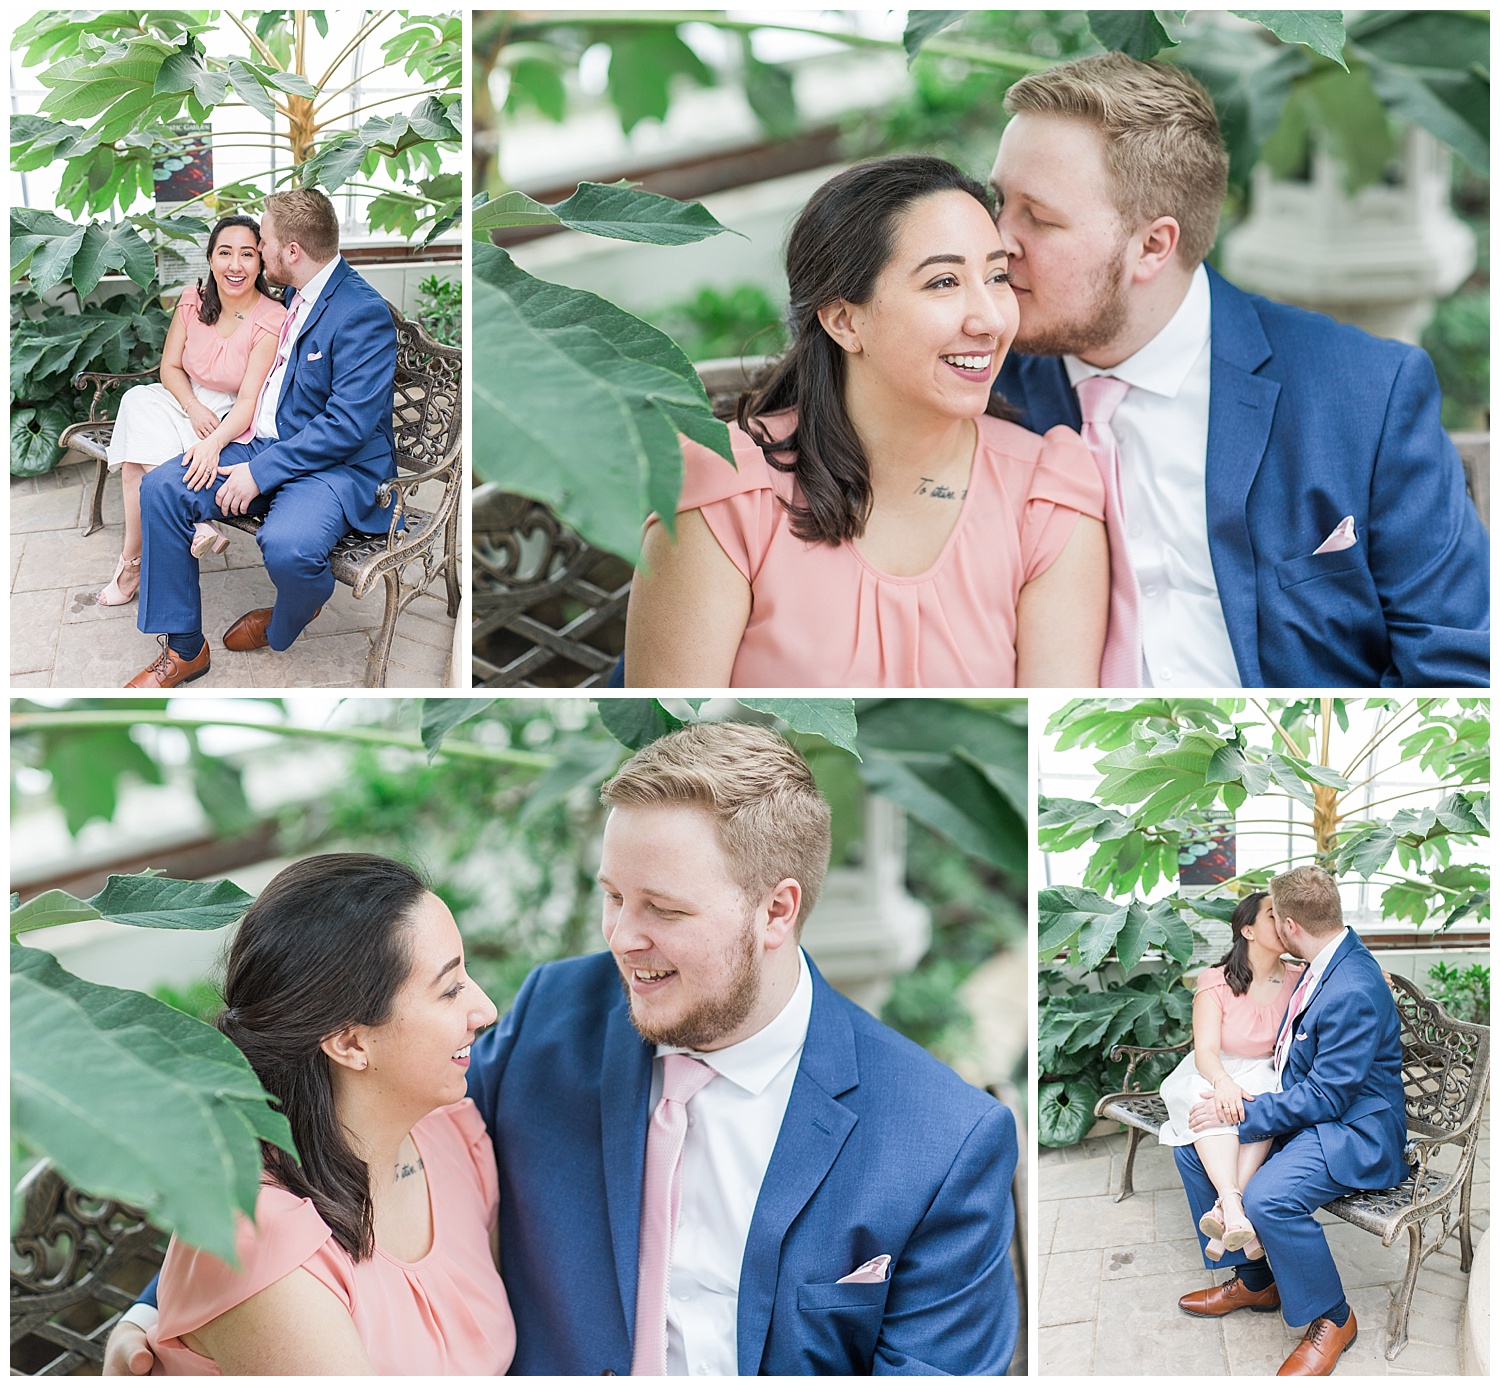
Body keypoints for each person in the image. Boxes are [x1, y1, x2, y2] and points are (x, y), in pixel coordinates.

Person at [108, 722, 1018, 1375]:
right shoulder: (555, 1018)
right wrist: (164, 1307)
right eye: (613, 895)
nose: (621, 936)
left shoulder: (942, 1145)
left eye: (663, 909)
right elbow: (335, 1149)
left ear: (777, 910)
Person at [990, 51, 1489, 688]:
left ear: (1152, 246)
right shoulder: (972, 387)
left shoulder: (1365, 395)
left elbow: (1457, 673)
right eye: (999, 201)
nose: (1000, 240)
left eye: (1039, 218)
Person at [625, 155, 1108, 688]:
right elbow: (680, 739)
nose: (991, 319)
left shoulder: (1048, 498)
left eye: (996, 276)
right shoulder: (725, 490)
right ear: (843, 320)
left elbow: (1047, 727)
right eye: (944, 282)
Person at [144, 854, 512, 1373]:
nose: (486, 1009)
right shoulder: (261, 1243)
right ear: (349, 1042)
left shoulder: (453, 1139)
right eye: (449, 989)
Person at [125, 188, 399, 688]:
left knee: (289, 547)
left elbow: (348, 426)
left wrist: (259, 472)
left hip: (334, 467)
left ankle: (288, 618)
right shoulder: (296, 291)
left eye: (264, 242)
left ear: (291, 252)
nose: (258, 250)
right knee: (161, 489)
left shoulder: (362, 312)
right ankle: (185, 649)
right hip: (265, 443)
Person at [1173, 865, 1406, 1376]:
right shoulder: (1325, 961)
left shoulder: (1351, 987)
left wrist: (1247, 1111)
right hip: (1316, 1111)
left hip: (1355, 1130)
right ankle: (1257, 1281)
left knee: (1267, 1197)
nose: (1277, 927)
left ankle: (1334, 1318)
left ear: (1294, 926)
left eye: (1279, 917)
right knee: (1194, 1150)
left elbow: (1327, 1095)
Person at [97, 215, 287, 605]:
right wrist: (192, 405)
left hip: (229, 417)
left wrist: (214, 442)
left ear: (261, 261)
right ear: (211, 258)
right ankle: (195, 524)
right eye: (225, 253)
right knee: (136, 399)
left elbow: (249, 401)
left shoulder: (271, 318)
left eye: (247, 254)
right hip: (185, 400)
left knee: (135, 467)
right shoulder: (192, 299)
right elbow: (170, 367)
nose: (235, 265)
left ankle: (131, 566)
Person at [1155, 891, 1304, 1260]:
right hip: (1214, 1069)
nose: (1283, 921)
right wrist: (1222, 1082)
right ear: (1248, 930)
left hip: (1265, 1071)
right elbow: (1205, 1051)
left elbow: (1344, 967)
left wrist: (1374, 970)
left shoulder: (1300, 978)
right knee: (1210, 1102)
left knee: (1259, 1098)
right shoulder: (1215, 982)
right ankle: (1237, 1212)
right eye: (1273, 915)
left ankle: (1227, 1212)